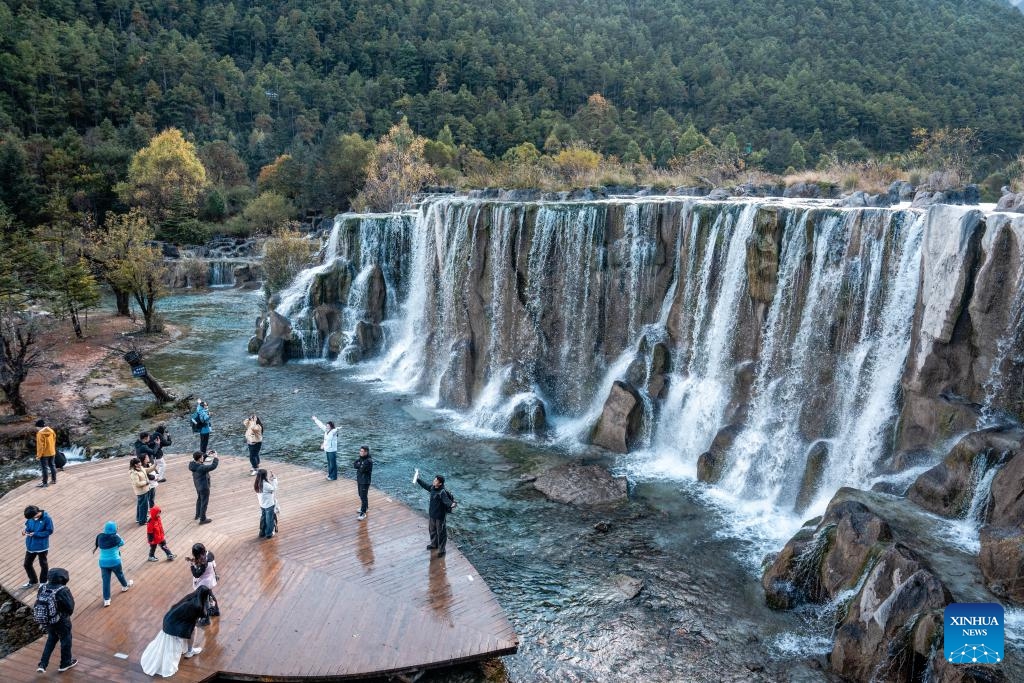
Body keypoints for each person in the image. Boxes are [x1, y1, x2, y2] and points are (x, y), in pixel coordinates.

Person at [140, 585, 212, 676]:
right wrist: (209, 606)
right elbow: (202, 616)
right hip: (173, 625)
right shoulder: (196, 606)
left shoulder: (191, 597)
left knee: (193, 629)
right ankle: (189, 651)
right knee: (191, 631)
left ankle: (189, 650)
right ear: (205, 596)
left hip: (169, 620)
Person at [34, 567, 76, 673]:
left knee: (51, 639)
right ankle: (65, 663)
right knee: (66, 639)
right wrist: (65, 616)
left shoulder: (43, 587)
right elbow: (70, 607)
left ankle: (42, 664)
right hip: (61, 620)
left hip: (47, 620)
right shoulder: (63, 590)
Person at [413, 469, 457, 558]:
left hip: (440, 516)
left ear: (440, 483)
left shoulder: (442, 492)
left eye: (436, 480)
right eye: (434, 479)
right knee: (432, 530)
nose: (434, 481)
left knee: (441, 533)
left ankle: (442, 550)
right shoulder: (433, 488)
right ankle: (434, 544)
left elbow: (447, 501)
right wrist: (418, 479)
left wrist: (452, 504)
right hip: (432, 514)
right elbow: (425, 486)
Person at [93, 521, 133, 607]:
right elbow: (122, 543)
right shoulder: (116, 538)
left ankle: (106, 599)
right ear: (114, 529)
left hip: (103, 563)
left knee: (106, 581)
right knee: (120, 574)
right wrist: (117, 535)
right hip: (115, 562)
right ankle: (124, 586)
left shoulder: (100, 537)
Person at [21, 505, 53, 589]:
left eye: (31, 517)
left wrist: (36, 534)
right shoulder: (30, 518)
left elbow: (49, 531)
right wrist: (25, 531)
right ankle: (33, 581)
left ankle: (43, 582)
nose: (30, 519)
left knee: (43, 564)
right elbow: (28, 526)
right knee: (27, 564)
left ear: (36, 513)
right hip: (30, 546)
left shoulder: (47, 519)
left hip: (42, 546)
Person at [188, 543, 219, 618]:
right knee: (209, 594)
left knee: (203, 598)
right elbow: (213, 565)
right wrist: (216, 574)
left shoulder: (203, 563)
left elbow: (196, 574)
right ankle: (215, 610)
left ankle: (205, 617)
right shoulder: (209, 554)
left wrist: (191, 565)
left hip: (204, 582)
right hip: (210, 577)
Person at [188, 450, 218, 524]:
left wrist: (206, 455)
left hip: (197, 485)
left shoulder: (192, 464)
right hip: (204, 487)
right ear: (199, 459)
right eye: (202, 457)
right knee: (204, 502)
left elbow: (199, 459)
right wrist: (216, 458)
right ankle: (203, 519)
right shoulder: (201, 468)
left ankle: (197, 515)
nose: (203, 458)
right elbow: (213, 466)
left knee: (199, 499)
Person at [130, 457, 157, 525]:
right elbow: (137, 484)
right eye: (139, 462)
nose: (140, 463)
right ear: (135, 464)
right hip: (141, 491)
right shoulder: (134, 473)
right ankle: (143, 521)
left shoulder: (141, 468)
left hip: (145, 490)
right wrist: (146, 482)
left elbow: (147, 470)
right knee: (143, 506)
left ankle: (139, 518)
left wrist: (155, 465)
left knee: (140, 505)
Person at [312, 416, 338, 480]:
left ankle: (333, 477)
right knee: (329, 463)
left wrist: (337, 428)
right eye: (327, 426)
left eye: (328, 426)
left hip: (332, 450)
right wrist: (316, 419)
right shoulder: (326, 431)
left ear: (331, 426)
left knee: (332, 464)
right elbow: (321, 425)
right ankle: (330, 475)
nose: (327, 427)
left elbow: (336, 430)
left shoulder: (333, 432)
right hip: (327, 450)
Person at [254, 469, 278, 538]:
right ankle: (268, 533)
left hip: (262, 504)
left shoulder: (257, 483)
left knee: (263, 518)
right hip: (269, 505)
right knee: (269, 519)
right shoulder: (266, 485)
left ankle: (262, 532)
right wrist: (274, 479)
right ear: (265, 476)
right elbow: (274, 489)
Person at [35, 418, 57, 487]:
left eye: (36, 427)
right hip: (52, 452)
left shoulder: (40, 434)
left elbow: (40, 446)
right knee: (52, 466)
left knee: (44, 468)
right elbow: (54, 440)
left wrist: (38, 456)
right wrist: (52, 449)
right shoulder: (51, 431)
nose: (36, 428)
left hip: (44, 454)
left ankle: (45, 483)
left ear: (39, 426)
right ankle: (54, 480)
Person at [353, 446, 373, 520]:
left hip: (365, 481)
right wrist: (360, 465)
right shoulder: (361, 459)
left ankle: (363, 513)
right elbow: (355, 465)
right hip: (360, 479)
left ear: (366, 452)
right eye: (360, 451)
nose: (361, 452)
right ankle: (366, 507)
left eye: (362, 451)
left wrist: (360, 465)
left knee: (363, 496)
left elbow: (362, 469)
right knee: (361, 495)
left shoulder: (368, 461)